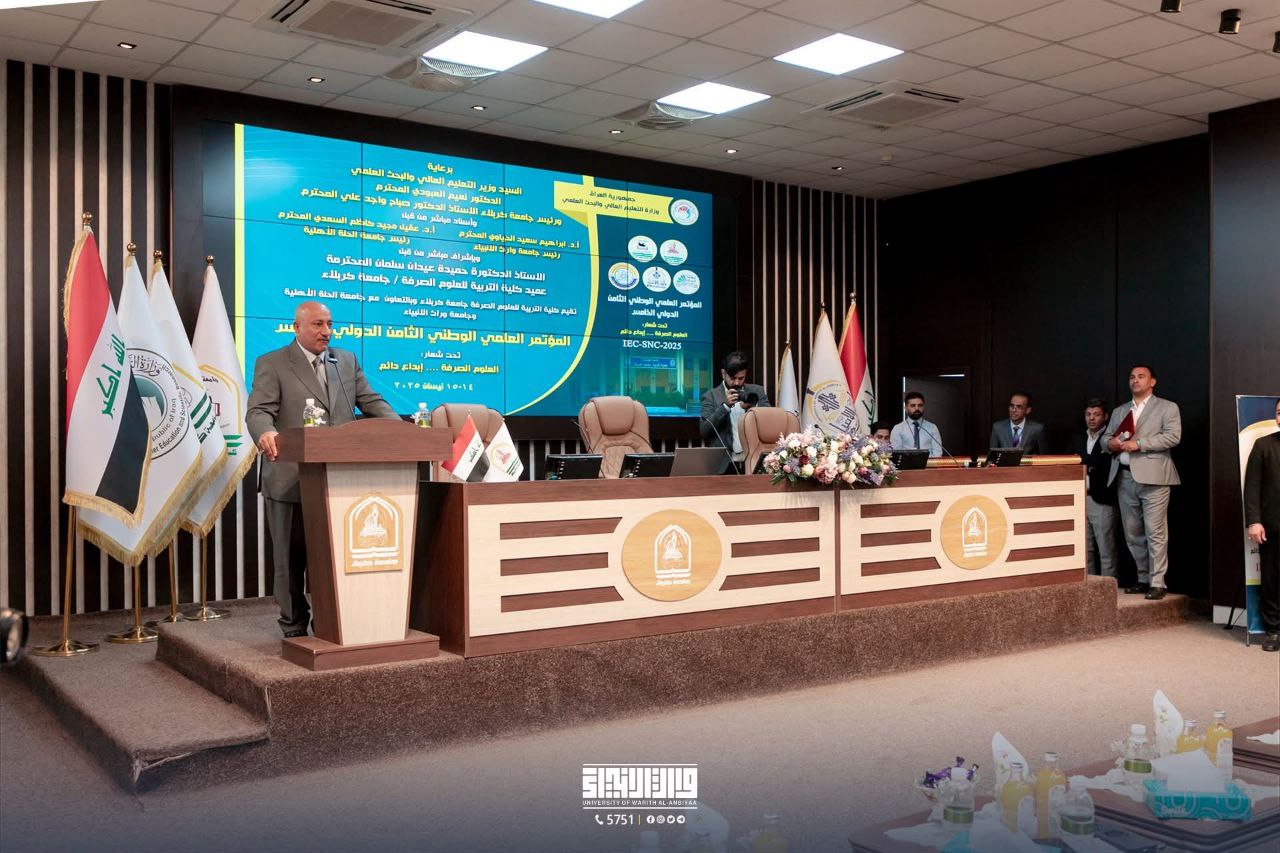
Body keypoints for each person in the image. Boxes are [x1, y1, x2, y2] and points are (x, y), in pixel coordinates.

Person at [247, 301, 399, 637]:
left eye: (329, 324)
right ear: (297, 327)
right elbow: (258, 411)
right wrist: (265, 433)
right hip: (290, 477)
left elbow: (370, 401)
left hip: (339, 480)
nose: (326, 331)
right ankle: (293, 625)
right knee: (291, 560)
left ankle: (330, 621)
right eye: (318, 324)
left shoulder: (345, 360)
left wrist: (401, 430)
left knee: (332, 559)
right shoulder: (272, 363)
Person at [1105, 364, 1181, 601]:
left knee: (1155, 532)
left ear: (1152, 382)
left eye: (1140, 376)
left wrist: (1139, 444)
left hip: (1154, 477)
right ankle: (1143, 578)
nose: (1135, 380)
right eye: (1132, 377)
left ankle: (1158, 582)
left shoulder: (1167, 407)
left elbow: (1173, 436)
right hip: (1124, 477)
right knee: (1132, 533)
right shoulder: (1120, 410)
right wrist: (1110, 443)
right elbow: (1106, 438)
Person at [1243, 399, 1280, 652]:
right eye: (1278, 412)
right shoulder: (1263, 445)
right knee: (1273, 580)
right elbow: (1252, 487)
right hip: (1273, 526)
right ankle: (1274, 630)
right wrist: (1254, 521)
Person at [700, 351, 769, 474]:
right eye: (732, 378)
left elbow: (770, 422)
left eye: (741, 378)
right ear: (723, 373)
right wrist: (725, 407)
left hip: (754, 461)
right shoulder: (710, 396)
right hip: (724, 465)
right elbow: (704, 430)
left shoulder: (757, 392)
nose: (737, 382)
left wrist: (753, 408)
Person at [1072, 398, 1119, 578]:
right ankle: (1090, 588)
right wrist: (1090, 462)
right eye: (1088, 414)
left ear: (1105, 417)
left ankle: (1110, 588)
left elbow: (1100, 462)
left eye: (1096, 414)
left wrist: (1084, 460)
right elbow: (1069, 461)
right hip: (1080, 498)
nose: (1091, 418)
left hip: (1102, 500)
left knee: (1106, 550)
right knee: (1086, 550)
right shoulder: (1078, 437)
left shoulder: (1110, 439)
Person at [890, 391, 942, 457]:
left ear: (924, 407)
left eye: (920, 405)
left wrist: (925, 461)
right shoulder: (898, 429)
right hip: (907, 463)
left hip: (929, 463)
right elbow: (896, 454)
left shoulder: (932, 427)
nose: (917, 408)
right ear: (905, 408)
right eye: (913, 405)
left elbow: (938, 453)